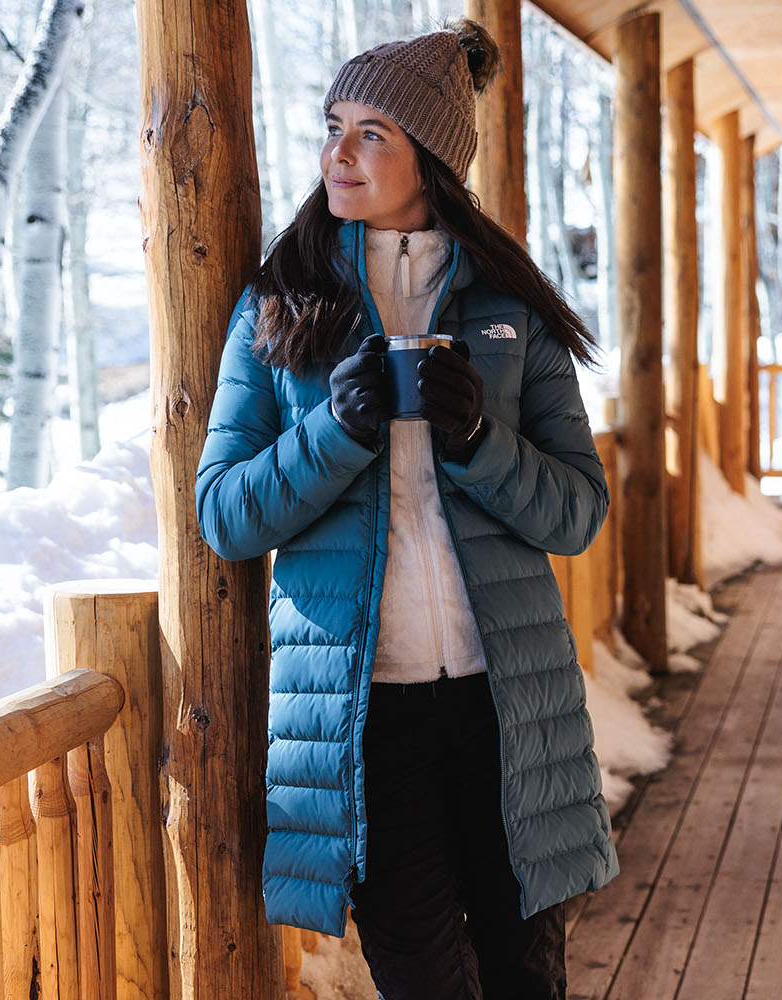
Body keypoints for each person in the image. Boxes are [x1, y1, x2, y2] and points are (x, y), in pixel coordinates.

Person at [196, 19, 616, 999]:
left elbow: (577, 513)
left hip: (509, 707)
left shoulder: (508, 309)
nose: (337, 153)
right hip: (362, 722)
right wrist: (335, 431)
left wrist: (477, 442)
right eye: (333, 126)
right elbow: (225, 515)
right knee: (422, 980)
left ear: (431, 157)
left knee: (525, 980)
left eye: (371, 132)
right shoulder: (278, 308)